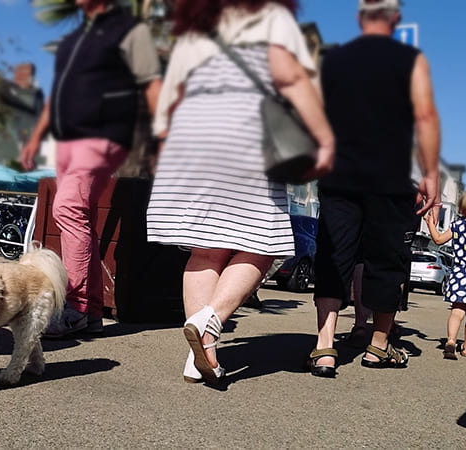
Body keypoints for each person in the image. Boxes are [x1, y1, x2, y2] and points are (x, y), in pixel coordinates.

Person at [146, 0, 334, 386]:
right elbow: (290, 78)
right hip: (244, 137)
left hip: (190, 140)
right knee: (266, 241)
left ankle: (199, 355)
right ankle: (208, 324)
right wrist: (324, 137)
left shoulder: (194, 24)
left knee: (204, 248)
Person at [310, 0, 441, 377]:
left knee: (334, 254)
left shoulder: (335, 60)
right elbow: (425, 114)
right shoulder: (409, 59)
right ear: (395, 19)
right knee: (387, 258)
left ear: (360, 18)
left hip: (341, 172)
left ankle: (324, 347)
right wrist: (430, 171)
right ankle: (378, 346)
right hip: (390, 175)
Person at [20, 0, 163, 338]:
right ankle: (92, 312)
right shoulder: (73, 40)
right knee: (76, 215)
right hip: (67, 138)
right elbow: (59, 93)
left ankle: (77, 307)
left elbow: (150, 82)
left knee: (68, 208)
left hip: (104, 133)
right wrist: (36, 138)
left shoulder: (129, 30)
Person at [425, 190, 466, 360]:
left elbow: (438, 240)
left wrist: (430, 223)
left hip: (459, 273)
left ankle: (451, 341)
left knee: (457, 310)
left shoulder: (457, 225)